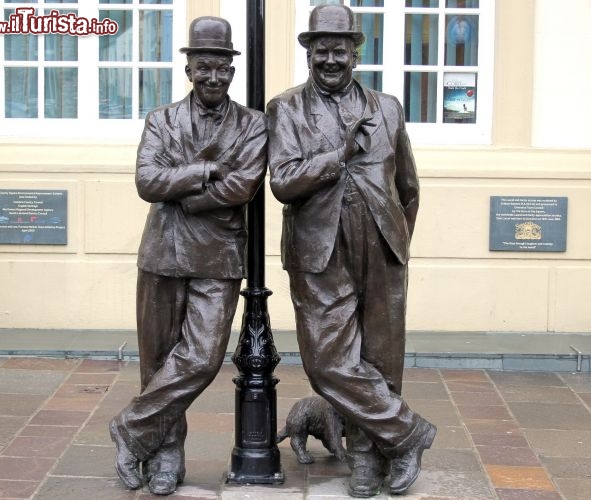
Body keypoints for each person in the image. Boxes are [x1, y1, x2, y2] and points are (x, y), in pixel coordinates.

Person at [267, 5, 435, 497]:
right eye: (321, 51)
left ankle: (368, 459)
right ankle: (408, 434)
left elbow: (408, 185)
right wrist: (338, 153)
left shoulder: (387, 107)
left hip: (381, 243)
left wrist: (397, 239)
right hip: (320, 247)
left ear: (357, 54)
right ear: (308, 53)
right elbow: (284, 182)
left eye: (339, 50)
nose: (330, 60)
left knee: (382, 356)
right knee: (327, 361)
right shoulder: (288, 108)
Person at [109, 16, 266, 496]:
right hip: (161, 254)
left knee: (200, 358)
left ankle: (130, 427)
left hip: (218, 258)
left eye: (222, 67)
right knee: (157, 362)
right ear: (190, 69)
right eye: (204, 67)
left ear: (232, 71)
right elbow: (146, 182)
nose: (214, 76)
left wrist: (185, 191)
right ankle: (165, 454)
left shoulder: (253, 124)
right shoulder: (161, 119)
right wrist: (205, 170)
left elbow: (244, 185)